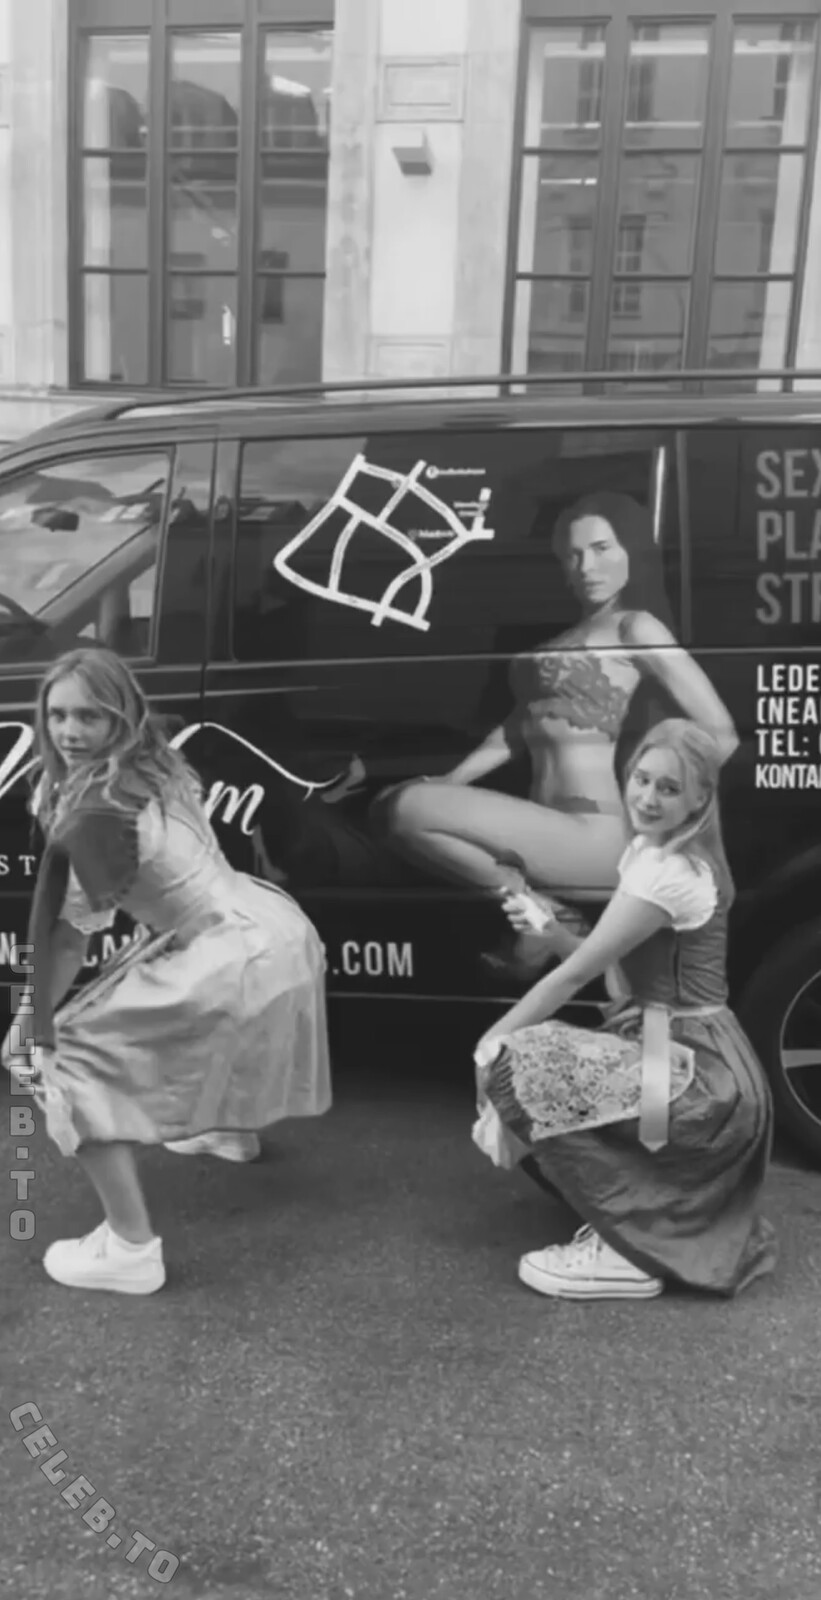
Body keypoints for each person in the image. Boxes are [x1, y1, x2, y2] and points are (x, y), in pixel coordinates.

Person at [2, 648, 331, 1295]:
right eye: (58, 715)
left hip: (228, 950)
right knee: (184, 1010)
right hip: (267, 926)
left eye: (89, 717)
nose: (69, 732)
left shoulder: (96, 810)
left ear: (120, 717)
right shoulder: (154, 766)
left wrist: (27, 1026)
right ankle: (226, 1133)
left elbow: (69, 941)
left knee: (65, 1063)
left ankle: (130, 1248)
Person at [472, 718, 776, 1301]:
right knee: (536, 1066)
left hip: (697, 1071)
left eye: (669, 788)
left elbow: (580, 976)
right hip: (684, 1050)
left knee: (514, 1063)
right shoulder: (653, 852)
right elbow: (620, 979)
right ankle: (634, 1219)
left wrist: (487, 1046)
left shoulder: (669, 871)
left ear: (699, 799)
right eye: (642, 779)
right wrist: (553, 933)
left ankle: (629, 1253)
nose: (648, 797)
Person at [383, 492, 738, 975]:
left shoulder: (636, 626)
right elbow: (520, 727)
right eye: (573, 555)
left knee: (407, 808)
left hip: (596, 830)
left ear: (631, 552)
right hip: (548, 825)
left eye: (601, 548)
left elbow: (721, 733)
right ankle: (545, 915)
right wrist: (453, 780)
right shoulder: (565, 638)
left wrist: (662, 812)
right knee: (399, 805)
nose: (587, 566)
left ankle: (542, 918)